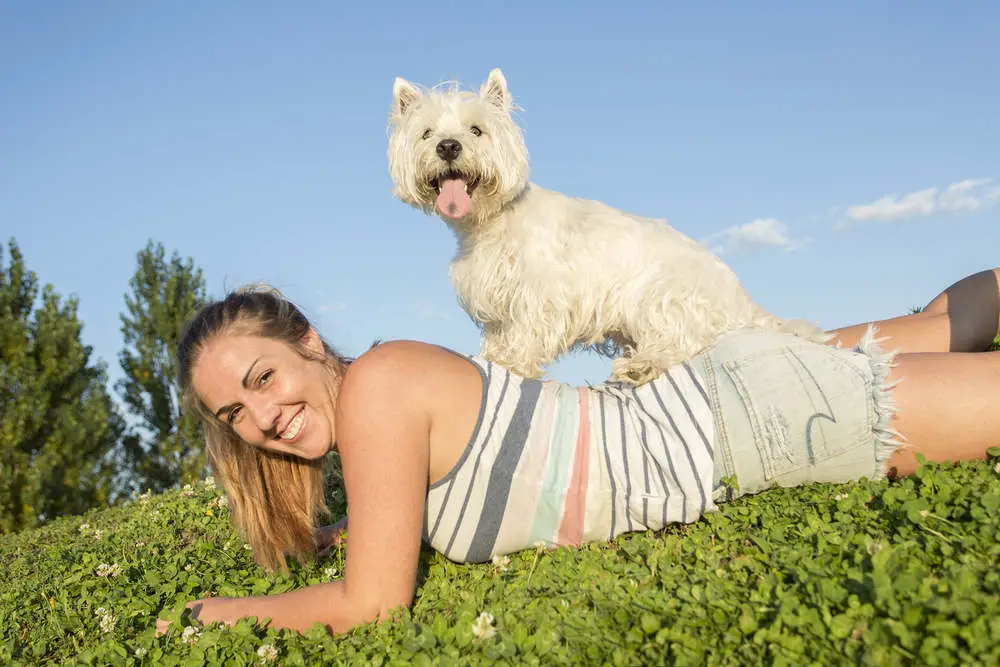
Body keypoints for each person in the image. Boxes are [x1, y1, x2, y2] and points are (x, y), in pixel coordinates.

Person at [155, 269, 1000, 637]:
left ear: (307, 338)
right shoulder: (379, 409)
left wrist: (225, 611)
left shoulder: (376, 389)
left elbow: (371, 607)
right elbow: (404, 517)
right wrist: (346, 529)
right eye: (234, 411)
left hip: (752, 423)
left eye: (263, 377)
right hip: (708, 388)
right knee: (947, 322)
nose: (261, 415)